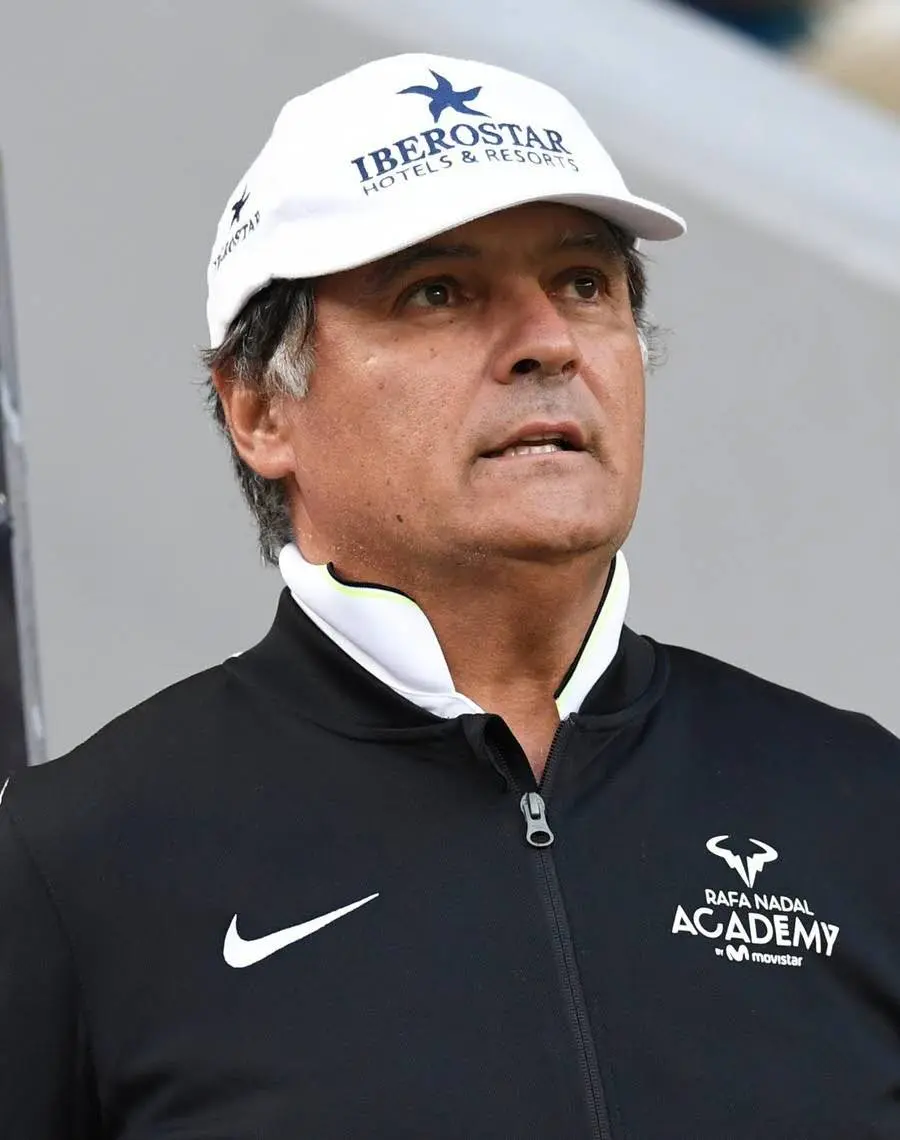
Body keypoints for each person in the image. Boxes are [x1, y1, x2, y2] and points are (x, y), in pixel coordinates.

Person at [1, 53, 898, 1140]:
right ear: (259, 410)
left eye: (584, 283)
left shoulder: (862, 803)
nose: (548, 342)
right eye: (437, 292)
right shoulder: (75, 860)